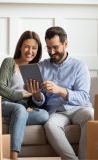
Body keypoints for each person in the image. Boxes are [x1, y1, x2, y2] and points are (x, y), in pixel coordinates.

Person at [26, 26, 94, 160]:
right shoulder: (41, 66)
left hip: (77, 109)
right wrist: (36, 94)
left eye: (55, 47)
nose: (51, 52)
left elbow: (84, 97)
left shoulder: (79, 66)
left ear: (65, 44)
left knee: (91, 114)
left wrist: (60, 90)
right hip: (56, 112)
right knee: (50, 125)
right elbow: (41, 101)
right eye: (48, 47)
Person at [0, 31, 49, 160]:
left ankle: (14, 118)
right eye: (26, 46)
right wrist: (22, 95)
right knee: (19, 109)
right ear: (20, 47)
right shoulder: (9, 62)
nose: (30, 51)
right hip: (3, 103)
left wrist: (36, 95)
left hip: (21, 107)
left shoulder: (36, 69)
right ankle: (13, 156)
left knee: (44, 114)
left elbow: (36, 97)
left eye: (34, 48)